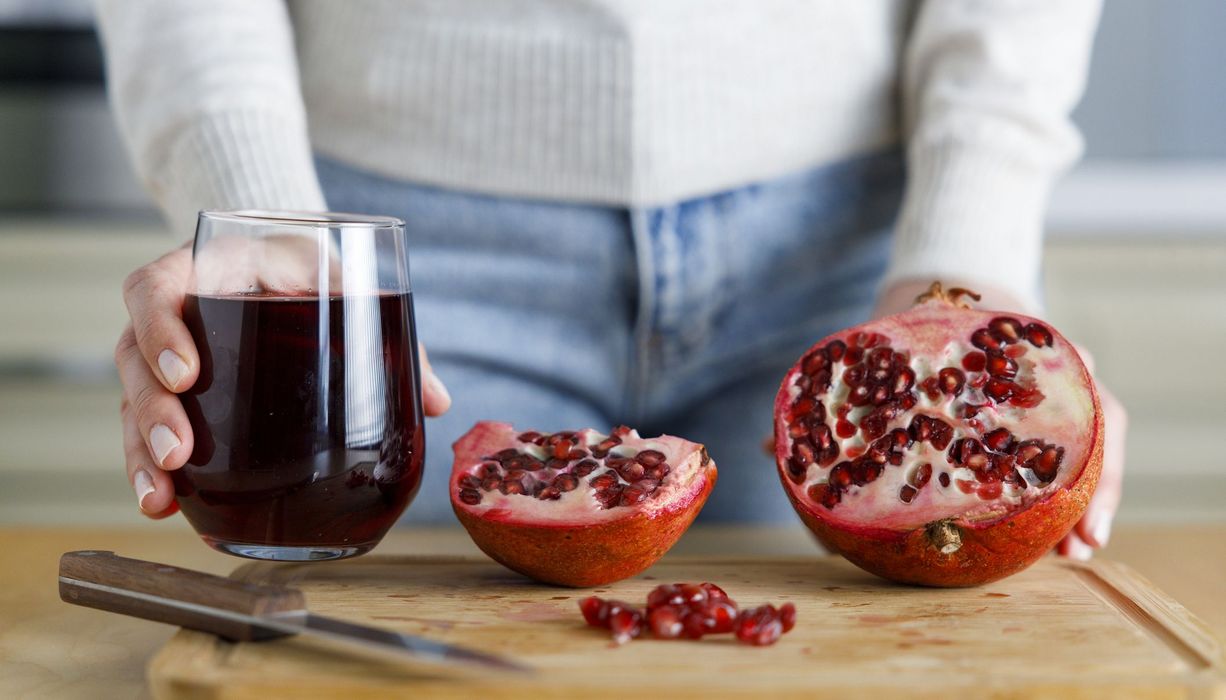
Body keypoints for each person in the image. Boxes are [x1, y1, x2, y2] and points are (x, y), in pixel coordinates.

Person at [96, 0, 1124, 559]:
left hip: (849, 249)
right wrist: (260, 217)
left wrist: (964, 250)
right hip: (378, 257)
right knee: (348, 663)